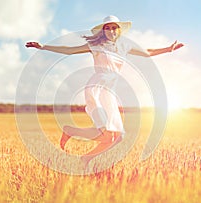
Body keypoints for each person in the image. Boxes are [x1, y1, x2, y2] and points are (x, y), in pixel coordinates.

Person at [26, 15, 184, 167]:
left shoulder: (124, 46)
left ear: (119, 30)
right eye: (107, 28)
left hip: (110, 93)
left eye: (114, 27)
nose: (111, 31)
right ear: (103, 31)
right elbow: (69, 50)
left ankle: (83, 154)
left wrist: (169, 49)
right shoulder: (96, 46)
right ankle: (74, 138)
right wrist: (43, 47)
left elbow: (147, 52)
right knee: (105, 133)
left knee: (118, 137)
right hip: (96, 89)